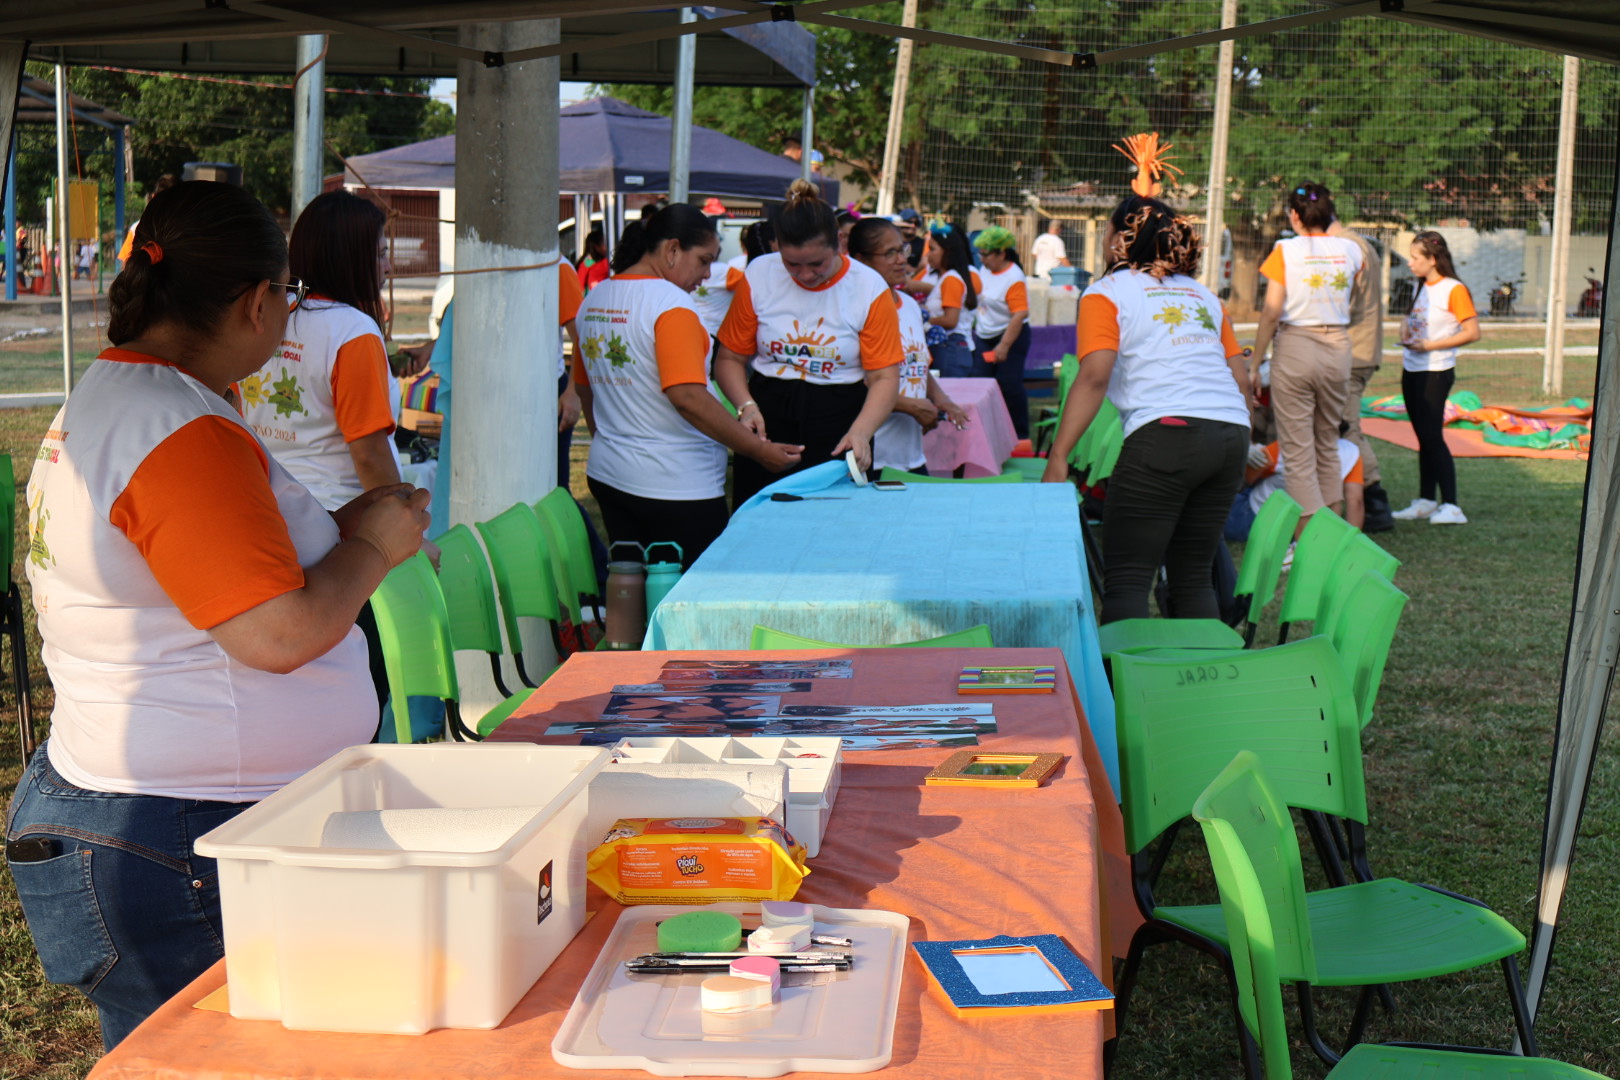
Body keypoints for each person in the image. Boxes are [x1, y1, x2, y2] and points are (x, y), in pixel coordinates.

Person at [6, 180, 431, 1050]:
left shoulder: (133, 398)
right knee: (225, 1061)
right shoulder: (177, 427)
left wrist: (345, 530)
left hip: (161, 815)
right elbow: (277, 634)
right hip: (179, 834)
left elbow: (204, 568)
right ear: (255, 300)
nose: (290, 314)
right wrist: (377, 545)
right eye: (290, 296)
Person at [1042, 136, 1250, 624]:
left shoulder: (1106, 294)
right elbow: (1240, 378)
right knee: (1193, 576)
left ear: (1120, 240)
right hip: (1230, 435)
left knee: (1128, 579)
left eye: (1108, 231)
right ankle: (1198, 688)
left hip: (1167, 434)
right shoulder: (1202, 295)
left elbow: (1094, 377)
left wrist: (1057, 457)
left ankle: (1123, 697)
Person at [576, 205, 801, 566]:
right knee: (692, 595)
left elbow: (587, 389)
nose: (707, 274)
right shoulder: (671, 306)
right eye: (703, 260)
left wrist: (616, 438)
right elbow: (687, 396)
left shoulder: (596, 300)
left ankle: (628, 629)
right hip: (675, 484)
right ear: (672, 249)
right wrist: (757, 451)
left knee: (628, 584)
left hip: (610, 473)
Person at [714, 179, 902, 503]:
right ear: (777, 247)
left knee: (835, 524)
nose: (804, 275)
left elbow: (884, 376)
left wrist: (861, 432)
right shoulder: (760, 273)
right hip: (767, 413)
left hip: (840, 418)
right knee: (760, 519)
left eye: (817, 263)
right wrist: (746, 406)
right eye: (791, 264)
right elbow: (730, 358)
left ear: (839, 242)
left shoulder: (868, 287)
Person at [241, 189, 404, 511]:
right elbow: (369, 454)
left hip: (263, 507)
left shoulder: (266, 313)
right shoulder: (352, 331)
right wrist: (404, 524)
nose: (388, 266)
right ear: (352, 259)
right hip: (338, 518)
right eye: (381, 254)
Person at [1249, 181, 1363, 530]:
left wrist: (1255, 364)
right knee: (1328, 444)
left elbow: (1271, 312)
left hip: (1297, 346)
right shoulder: (1351, 249)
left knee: (1298, 454)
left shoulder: (1285, 250)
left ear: (1294, 215)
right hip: (1338, 347)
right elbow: (1353, 299)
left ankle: (1308, 543)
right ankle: (1333, 539)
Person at [847, 216, 969, 474]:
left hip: (911, 456)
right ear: (861, 260)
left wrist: (940, 399)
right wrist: (913, 407)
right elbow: (859, 384)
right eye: (889, 253)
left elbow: (917, 363)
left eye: (902, 249)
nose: (902, 259)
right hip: (872, 456)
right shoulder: (855, 310)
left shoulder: (910, 304)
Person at [1391, 230, 1479, 525]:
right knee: (1422, 437)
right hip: (1412, 368)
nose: (1410, 263)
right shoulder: (1420, 287)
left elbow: (1472, 331)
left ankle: (1452, 506)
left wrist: (1430, 345)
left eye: (1416, 257)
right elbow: (1416, 323)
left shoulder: (1453, 289)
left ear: (1432, 258)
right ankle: (1427, 500)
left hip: (1436, 370)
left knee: (1432, 436)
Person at [1326, 208, 1392, 531]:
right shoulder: (1357, 243)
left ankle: (1373, 498)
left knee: (1347, 425)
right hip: (1360, 348)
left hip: (1353, 351)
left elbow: (1343, 302)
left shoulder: (1345, 247)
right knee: (1347, 423)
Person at [1226, 429, 1365, 541]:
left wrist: (1250, 454)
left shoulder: (1284, 448)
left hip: (1257, 517)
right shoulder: (1351, 452)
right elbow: (1355, 501)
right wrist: (1350, 541)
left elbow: (1248, 479)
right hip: (1311, 527)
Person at [970, 226, 1033, 439]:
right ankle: (984, 434)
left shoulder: (1014, 277)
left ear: (1001, 253)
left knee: (1009, 385)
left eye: (986, 254)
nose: (982, 259)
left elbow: (1019, 313)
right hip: (984, 335)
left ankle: (1019, 435)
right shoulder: (985, 270)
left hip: (1011, 335)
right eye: (980, 254)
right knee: (979, 384)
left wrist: (1004, 345)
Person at [921, 223, 980, 378]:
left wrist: (923, 321)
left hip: (950, 348)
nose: (928, 254)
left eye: (932, 249)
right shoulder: (946, 278)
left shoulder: (951, 280)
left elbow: (950, 320)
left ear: (947, 252)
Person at [578, 229, 611, 293]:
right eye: (604, 243)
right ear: (596, 247)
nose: (607, 247)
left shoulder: (585, 263)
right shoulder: (602, 264)